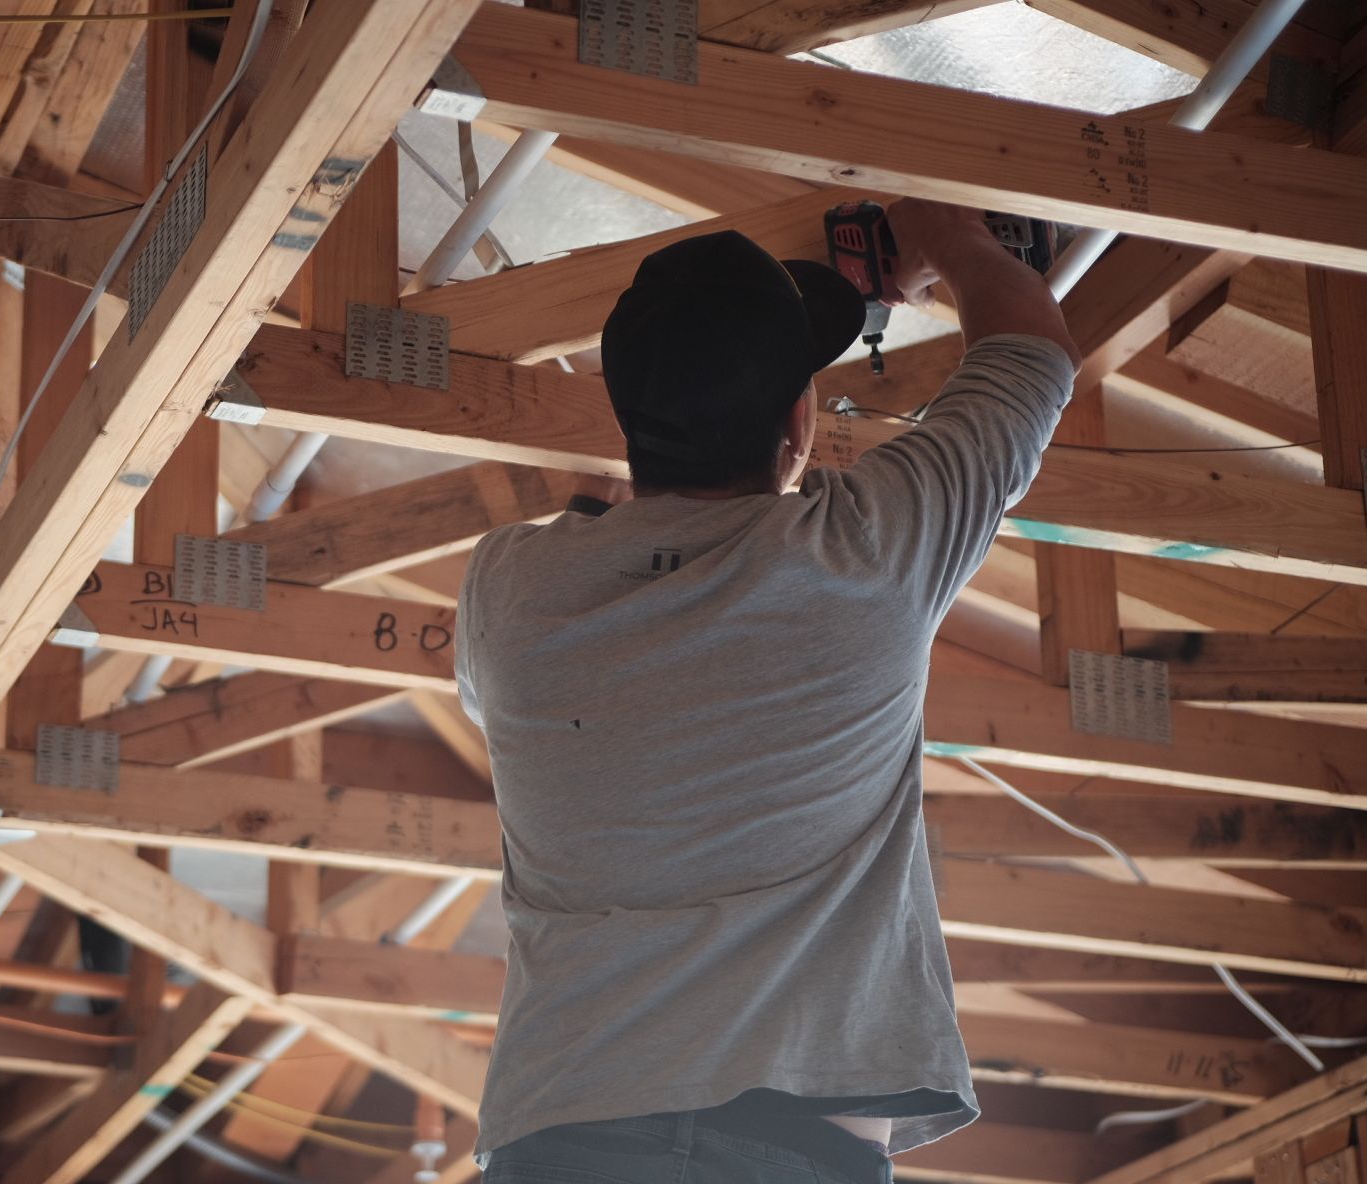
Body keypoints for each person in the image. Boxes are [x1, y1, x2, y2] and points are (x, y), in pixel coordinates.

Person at [454, 198, 1082, 1184]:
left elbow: (1038, 358)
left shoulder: (510, 592)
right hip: (706, 1150)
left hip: (577, 1119)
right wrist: (943, 238)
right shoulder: (867, 552)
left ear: (630, 418)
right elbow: (1029, 352)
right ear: (799, 423)